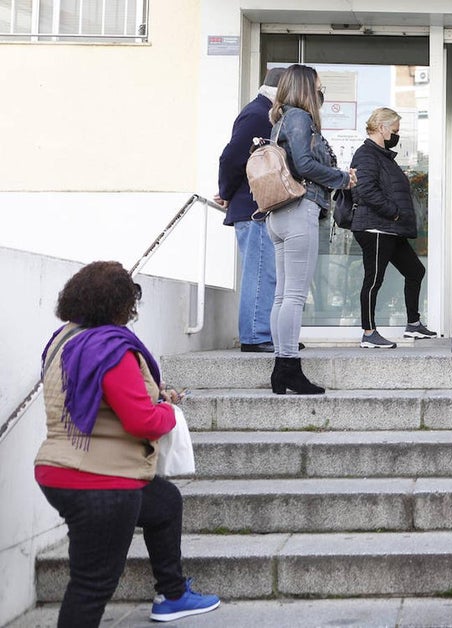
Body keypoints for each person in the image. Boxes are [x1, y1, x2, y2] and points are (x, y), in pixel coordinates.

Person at [35, 261, 221, 626]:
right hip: (100, 481)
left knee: (164, 503)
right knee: (91, 586)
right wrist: (167, 411)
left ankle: (173, 593)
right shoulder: (111, 350)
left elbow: (103, 399)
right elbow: (143, 422)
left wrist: (152, 396)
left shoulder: (63, 341)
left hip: (57, 471)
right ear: (121, 304)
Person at [266, 64, 355, 392]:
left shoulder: (279, 120)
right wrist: (342, 178)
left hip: (277, 215)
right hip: (299, 210)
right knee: (292, 296)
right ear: (306, 88)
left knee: (281, 296)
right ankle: (288, 366)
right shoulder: (300, 118)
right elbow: (303, 164)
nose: (322, 92)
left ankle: (281, 367)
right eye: (319, 86)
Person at [349, 107, 437, 349]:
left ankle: (413, 325)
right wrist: (394, 211)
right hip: (375, 228)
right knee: (373, 279)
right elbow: (365, 190)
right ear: (382, 128)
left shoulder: (383, 156)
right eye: (395, 130)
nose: (396, 135)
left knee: (415, 271)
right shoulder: (366, 154)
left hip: (390, 228)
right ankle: (368, 333)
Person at [215, 67, 285, 353]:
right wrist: (227, 192)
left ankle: (266, 333)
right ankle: (255, 335)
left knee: (268, 273)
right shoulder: (258, 114)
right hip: (253, 208)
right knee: (260, 273)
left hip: (258, 206)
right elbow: (231, 157)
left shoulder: (264, 112)